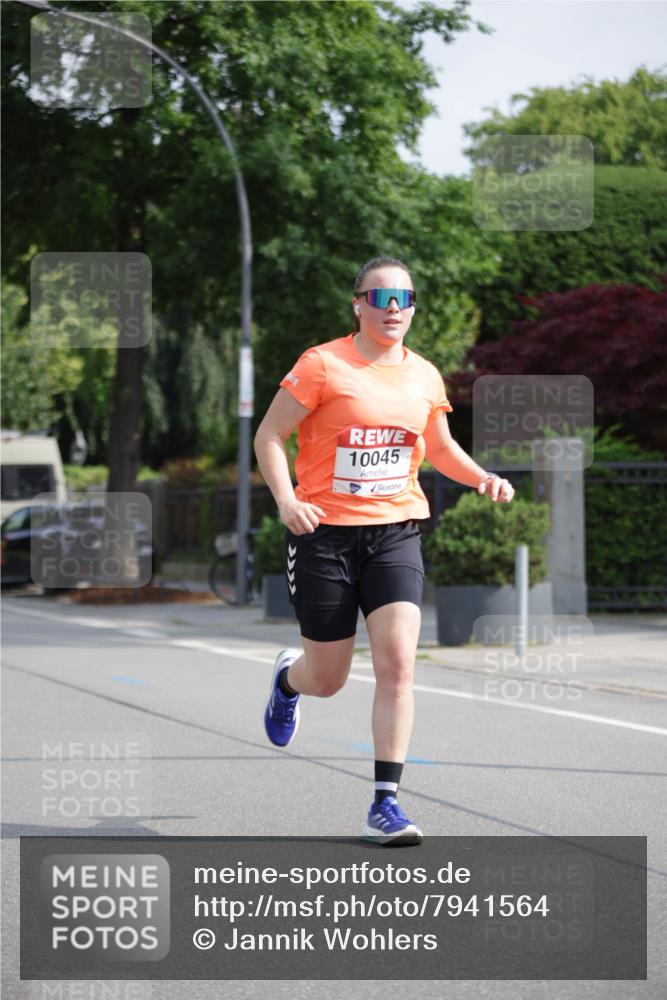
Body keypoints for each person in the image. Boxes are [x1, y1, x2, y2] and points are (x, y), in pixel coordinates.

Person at [254, 256, 514, 846]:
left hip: (396, 530)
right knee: (329, 677)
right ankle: (288, 684)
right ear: (358, 305)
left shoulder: (424, 375)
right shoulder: (322, 365)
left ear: (414, 307)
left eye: (405, 297)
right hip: (323, 532)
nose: (393, 307)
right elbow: (268, 435)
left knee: (398, 665)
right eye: (380, 297)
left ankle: (386, 804)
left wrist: (481, 478)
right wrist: (286, 501)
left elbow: (440, 448)